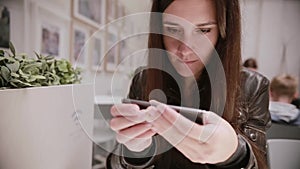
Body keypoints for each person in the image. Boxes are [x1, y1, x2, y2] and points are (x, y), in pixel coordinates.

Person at [106, 0, 271, 169]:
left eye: (203, 30)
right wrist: (136, 152)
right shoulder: (144, 80)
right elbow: (117, 163)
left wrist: (235, 154)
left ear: (224, 31)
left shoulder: (253, 86)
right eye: (172, 29)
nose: (185, 50)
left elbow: (261, 164)